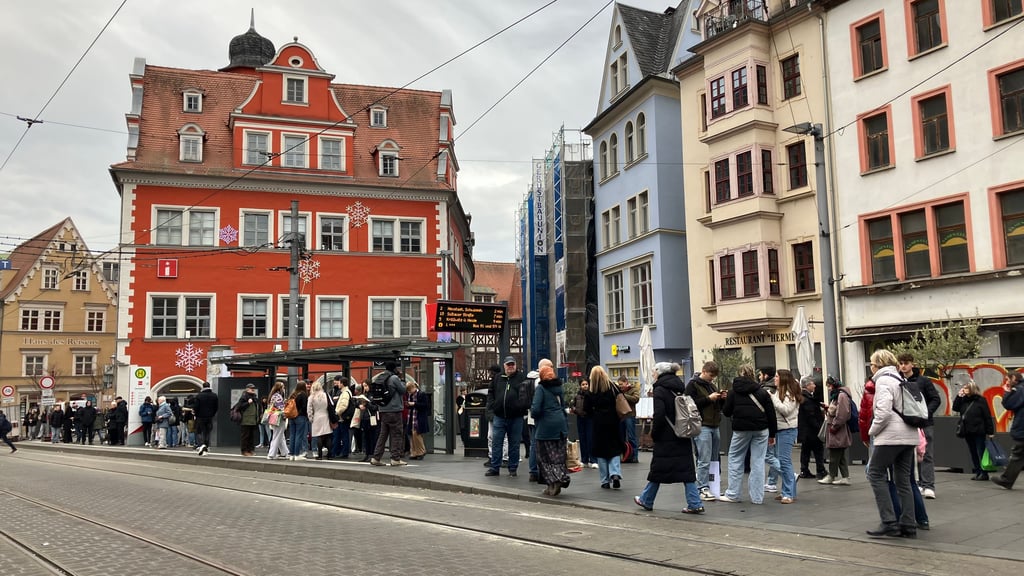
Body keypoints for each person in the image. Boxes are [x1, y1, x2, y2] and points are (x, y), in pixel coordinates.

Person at [865, 348, 921, 538]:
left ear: (878, 365)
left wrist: (872, 431)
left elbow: (883, 412)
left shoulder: (883, 381)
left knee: (875, 473)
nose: (871, 368)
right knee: (903, 479)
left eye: (872, 364)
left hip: (891, 436)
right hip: (909, 434)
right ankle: (909, 524)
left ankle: (889, 521)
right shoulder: (899, 379)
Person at [634, 362, 703, 514]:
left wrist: (654, 434)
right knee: (687, 471)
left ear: (660, 372)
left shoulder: (660, 389)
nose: (653, 374)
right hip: (682, 433)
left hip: (666, 435)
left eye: (654, 371)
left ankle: (647, 499)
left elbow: (659, 414)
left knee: (658, 470)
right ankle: (695, 503)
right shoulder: (680, 387)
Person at [720, 364, 776, 504]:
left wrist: (725, 400)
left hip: (741, 429)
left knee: (735, 459)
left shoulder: (733, 392)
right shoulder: (762, 392)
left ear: (739, 374)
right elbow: (771, 414)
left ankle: (733, 494)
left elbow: (726, 412)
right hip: (761, 429)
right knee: (758, 461)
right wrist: (772, 435)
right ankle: (757, 497)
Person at [897, 353, 941, 499]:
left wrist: (926, 413)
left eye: (906, 363)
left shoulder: (923, 381)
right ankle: (918, 483)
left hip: (924, 423)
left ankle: (928, 485)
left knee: (926, 454)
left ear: (912, 364)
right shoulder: (898, 380)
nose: (903, 366)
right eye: (901, 363)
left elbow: (935, 399)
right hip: (907, 423)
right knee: (909, 455)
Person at [684, 361, 725, 501]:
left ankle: (713, 485)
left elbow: (717, 406)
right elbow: (689, 405)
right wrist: (709, 398)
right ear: (704, 371)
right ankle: (702, 487)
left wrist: (721, 399)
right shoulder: (692, 385)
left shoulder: (711, 385)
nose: (712, 378)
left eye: (714, 376)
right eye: (711, 375)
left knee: (714, 458)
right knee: (704, 458)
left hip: (714, 424)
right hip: (702, 425)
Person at [484, 357, 528, 477]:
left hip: (516, 417)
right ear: (504, 366)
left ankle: (513, 468)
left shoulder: (521, 378)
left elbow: (526, 395)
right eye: (508, 364)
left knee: (514, 444)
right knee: (496, 442)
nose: (510, 366)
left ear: (516, 365)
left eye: (512, 364)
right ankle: (495, 467)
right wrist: (493, 406)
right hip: (499, 416)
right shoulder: (498, 378)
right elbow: (491, 393)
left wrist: (521, 408)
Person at [532, 365, 570, 496]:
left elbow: (536, 409)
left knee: (544, 456)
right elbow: (563, 406)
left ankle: (553, 481)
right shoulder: (559, 388)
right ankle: (557, 479)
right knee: (558, 456)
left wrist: (535, 415)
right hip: (560, 426)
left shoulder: (541, 389)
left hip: (545, 427)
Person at [585, 365, 624, 490]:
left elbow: (586, 409)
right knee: (614, 448)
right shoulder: (613, 387)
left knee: (600, 451)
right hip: (613, 421)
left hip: (598, 423)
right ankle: (615, 473)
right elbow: (621, 398)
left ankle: (605, 480)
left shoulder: (591, 391)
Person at [953, 379, 995, 481]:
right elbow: (955, 408)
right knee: (973, 452)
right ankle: (978, 471)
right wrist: (958, 396)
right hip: (967, 430)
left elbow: (987, 416)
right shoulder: (963, 400)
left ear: (972, 389)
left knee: (980, 451)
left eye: (966, 388)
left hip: (979, 430)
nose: (964, 389)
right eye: (964, 388)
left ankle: (984, 473)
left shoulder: (981, 400)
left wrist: (990, 431)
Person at [772, 369, 802, 504]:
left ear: (783, 378)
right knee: (782, 460)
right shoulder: (780, 392)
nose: (774, 378)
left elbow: (786, 410)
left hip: (787, 429)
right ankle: (787, 491)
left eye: (777, 376)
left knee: (784, 461)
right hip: (781, 429)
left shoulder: (789, 393)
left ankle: (788, 493)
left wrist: (773, 399)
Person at [370, 361, 409, 467]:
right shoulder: (394, 378)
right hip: (394, 410)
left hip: (383, 410)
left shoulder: (380, 377)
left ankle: (376, 457)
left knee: (383, 435)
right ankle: (395, 458)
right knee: (397, 434)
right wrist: (402, 380)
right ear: (394, 368)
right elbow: (403, 390)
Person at [818, 377, 853, 486]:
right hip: (837, 428)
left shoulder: (841, 395)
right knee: (840, 454)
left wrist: (834, 426)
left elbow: (842, 413)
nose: (828, 388)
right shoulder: (838, 395)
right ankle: (845, 477)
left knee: (834, 453)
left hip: (837, 429)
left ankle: (831, 475)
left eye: (829, 386)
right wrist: (828, 408)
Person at [992, 372, 1024, 489]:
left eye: (1007, 379)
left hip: (1022, 427)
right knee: (1018, 455)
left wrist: (1007, 392)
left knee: (1017, 454)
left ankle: (1006, 480)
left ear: (1013, 378)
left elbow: (1009, 404)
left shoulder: (1019, 389)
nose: (1006, 382)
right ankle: (1006, 480)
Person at [798, 376, 827, 479]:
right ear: (807, 385)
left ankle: (804, 470)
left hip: (806, 430)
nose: (814, 386)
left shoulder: (803, 397)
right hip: (811, 430)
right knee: (818, 450)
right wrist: (819, 427)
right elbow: (811, 415)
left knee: (805, 450)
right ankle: (820, 470)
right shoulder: (807, 399)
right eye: (812, 384)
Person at [758, 367, 780, 492]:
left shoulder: (766, 390)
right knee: (773, 454)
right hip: (777, 425)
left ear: (765, 375)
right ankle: (772, 482)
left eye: (760, 374)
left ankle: (788, 474)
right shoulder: (776, 388)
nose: (759, 377)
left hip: (768, 425)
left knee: (768, 455)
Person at [571, 378, 596, 469]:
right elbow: (573, 405)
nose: (585, 386)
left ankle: (593, 460)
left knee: (590, 438)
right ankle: (584, 459)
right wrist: (575, 410)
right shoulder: (577, 396)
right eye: (583, 384)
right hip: (580, 418)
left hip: (590, 418)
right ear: (580, 386)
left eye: (586, 384)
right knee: (582, 439)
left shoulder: (591, 394)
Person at [617, 375, 640, 464]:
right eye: (619, 384)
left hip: (630, 415)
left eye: (621, 384)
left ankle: (634, 456)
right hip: (621, 416)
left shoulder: (633, 389)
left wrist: (623, 395)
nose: (620, 386)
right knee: (621, 437)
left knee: (631, 436)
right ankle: (625, 456)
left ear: (626, 382)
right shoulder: (618, 391)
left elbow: (636, 399)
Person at [233, 383, 261, 456]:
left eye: (253, 388)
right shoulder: (244, 397)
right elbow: (239, 407)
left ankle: (250, 450)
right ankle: (244, 450)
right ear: (247, 389)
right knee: (245, 436)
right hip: (245, 420)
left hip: (253, 420)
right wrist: (247, 403)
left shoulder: (254, 398)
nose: (253, 389)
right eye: (251, 388)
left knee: (251, 436)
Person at [406, 381, 431, 460]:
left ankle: (421, 451)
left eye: (410, 390)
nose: (409, 392)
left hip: (418, 418)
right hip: (412, 418)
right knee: (411, 435)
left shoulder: (422, 394)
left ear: (414, 388)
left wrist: (414, 404)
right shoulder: (410, 395)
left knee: (416, 435)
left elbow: (425, 406)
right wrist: (409, 405)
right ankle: (414, 452)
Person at [356, 380, 380, 463]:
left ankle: (372, 454)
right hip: (364, 418)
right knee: (365, 437)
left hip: (372, 418)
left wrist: (367, 404)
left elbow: (375, 407)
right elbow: (356, 403)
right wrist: (359, 405)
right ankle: (367, 454)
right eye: (364, 386)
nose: (365, 388)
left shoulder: (374, 395)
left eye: (366, 386)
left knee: (372, 437)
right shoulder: (364, 395)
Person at [308, 381, 332, 460]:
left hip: (317, 417)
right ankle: (329, 455)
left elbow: (309, 409)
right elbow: (331, 405)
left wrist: (310, 418)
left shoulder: (312, 397)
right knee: (327, 435)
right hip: (326, 416)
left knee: (319, 436)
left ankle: (320, 455)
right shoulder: (326, 395)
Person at [332, 376, 355, 459]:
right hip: (343, 417)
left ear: (342, 384)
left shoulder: (345, 393)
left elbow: (343, 405)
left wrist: (337, 412)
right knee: (342, 435)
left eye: (339, 383)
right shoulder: (346, 392)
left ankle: (344, 452)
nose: (338, 384)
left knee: (344, 435)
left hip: (342, 417)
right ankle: (339, 452)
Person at [193, 382, 219, 455]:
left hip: (200, 416)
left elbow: (196, 407)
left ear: (203, 387)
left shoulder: (199, 396)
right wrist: (212, 414)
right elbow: (216, 407)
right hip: (210, 417)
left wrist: (195, 413)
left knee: (198, 431)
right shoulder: (214, 396)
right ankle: (206, 446)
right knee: (207, 432)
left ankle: (201, 444)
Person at [287, 380, 310, 461]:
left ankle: (291, 454)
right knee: (299, 435)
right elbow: (304, 407)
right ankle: (297, 454)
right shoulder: (303, 395)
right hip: (300, 417)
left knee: (292, 435)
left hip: (291, 417)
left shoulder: (293, 394)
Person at [266, 381, 289, 460]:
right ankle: (271, 454)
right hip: (279, 418)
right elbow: (281, 408)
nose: (284, 389)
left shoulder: (272, 396)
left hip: (273, 417)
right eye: (283, 387)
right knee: (277, 436)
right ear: (280, 388)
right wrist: (285, 415)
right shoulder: (278, 396)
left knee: (280, 436)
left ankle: (285, 452)